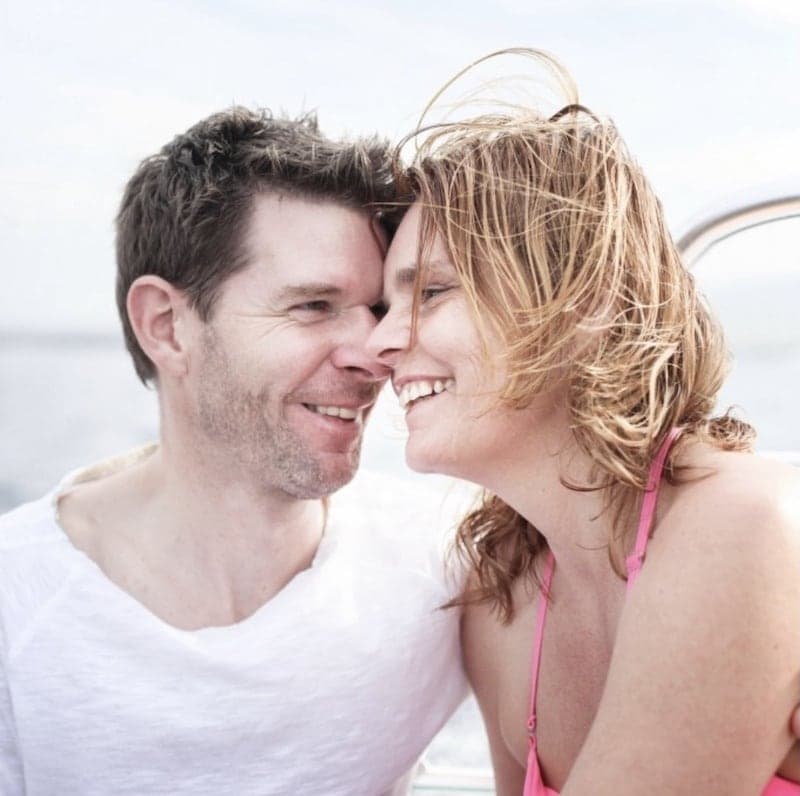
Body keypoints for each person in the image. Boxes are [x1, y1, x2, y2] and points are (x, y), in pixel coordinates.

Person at [368, 50, 800, 795]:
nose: (378, 342)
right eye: (383, 307)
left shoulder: (741, 524)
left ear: (581, 302)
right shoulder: (501, 603)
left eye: (431, 291)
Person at [0, 107, 466, 795]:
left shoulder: (447, 566)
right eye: (312, 305)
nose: (374, 352)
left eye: (375, 309)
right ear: (167, 326)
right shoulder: (18, 601)